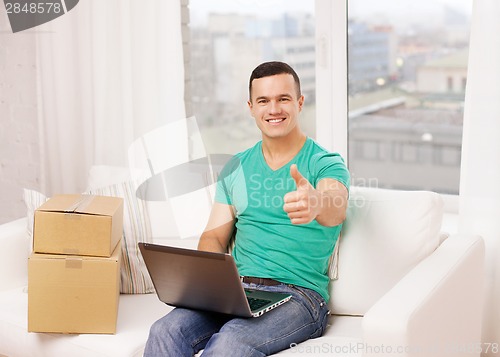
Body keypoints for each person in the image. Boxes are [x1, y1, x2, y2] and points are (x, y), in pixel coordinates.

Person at [144, 61, 350, 356]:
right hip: (236, 292)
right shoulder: (236, 167)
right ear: (251, 107)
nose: (274, 109)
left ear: (300, 103)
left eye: (283, 99)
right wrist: (204, 285)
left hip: (299, 297)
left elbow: (337, 206)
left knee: (231, 341)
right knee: (164, 331)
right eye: (264, 101)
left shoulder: (324, 162)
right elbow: (214, 237)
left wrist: (317, 202)